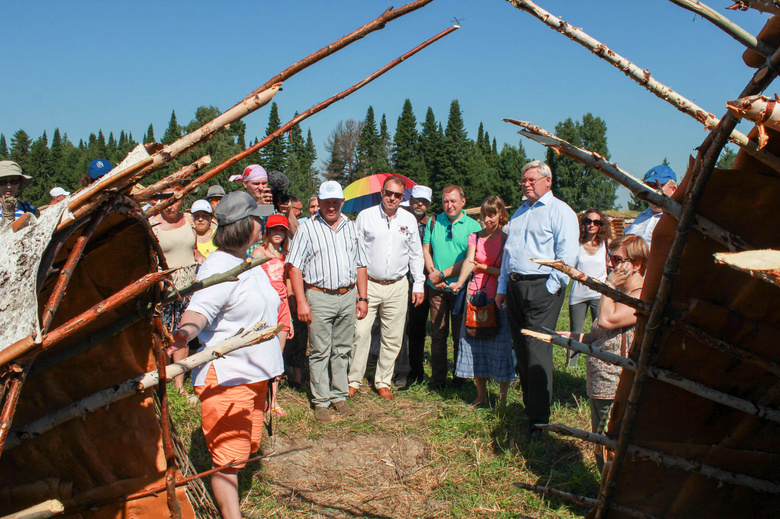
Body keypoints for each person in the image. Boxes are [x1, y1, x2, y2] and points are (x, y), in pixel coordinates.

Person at [167, 191, 283, 519]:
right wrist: (184, 335)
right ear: (245, 225)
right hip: (229, 378)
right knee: (228, 462)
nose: (262, 223)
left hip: (254, 375)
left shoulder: (246, 260)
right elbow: (199, 311)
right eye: (257, 219)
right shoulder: (220, 267)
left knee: (243, 452)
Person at [495, 160, 579, 441]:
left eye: (531, 179)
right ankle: (531, 409)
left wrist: (552, 286)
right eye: (523, 179)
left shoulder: (560, 211)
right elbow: (509, 254)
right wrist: (503, 287)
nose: (525, 183)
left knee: (538, 350)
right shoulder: (520, 212)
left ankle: (540, 421)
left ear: (547, 181)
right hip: (517, 287)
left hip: (542, 286)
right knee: (521, 347)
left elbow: (567, 254)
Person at [559, 234, 647, 471]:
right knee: (601, 448)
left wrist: (608, 285)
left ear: (636, 264)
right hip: (600, 385)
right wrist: (574, 338)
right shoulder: (618, 295)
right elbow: (603, 336)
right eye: (610, 257)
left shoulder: (639, 297)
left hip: (617, 388)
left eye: (618, 259)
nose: (611, 264)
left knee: (611, 451)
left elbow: (607, 320)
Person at [287, 180, 368, 422]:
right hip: (319, 295)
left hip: (348, 294)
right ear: (319, 203)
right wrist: (301, 301)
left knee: (343, 348)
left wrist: (362, 298)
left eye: (335, 202)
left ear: (342, 203)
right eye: (326, 203)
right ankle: (321, 401)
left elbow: (361, 264)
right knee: (320, 350)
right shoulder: (307, 229)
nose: (331, 207)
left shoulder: (352, 228)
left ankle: (339, 396)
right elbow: (294, 268)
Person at [348, 176, 424, 401]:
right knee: (360, 332)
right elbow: (356, 253)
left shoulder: (409, 219)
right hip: (369, 283)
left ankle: (383, 380)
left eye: (397, 195)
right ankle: (353, 379)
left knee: (392, 337)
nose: (392, 198)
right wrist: (356, 284)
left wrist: (418, 284)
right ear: (382, 192)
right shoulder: (365, 217)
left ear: (403, 197)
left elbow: (415, 254)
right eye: (388, 193)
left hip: (398, 285)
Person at [449, 196, 515, 406]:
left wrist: (483, 268)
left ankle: (503, 400)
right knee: (475, 345)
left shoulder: (507, 239)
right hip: (475, 297)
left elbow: (506, 271)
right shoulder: (474, 237)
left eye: (492, 214)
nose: (487, 219)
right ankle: (481, 396)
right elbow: (470, 261)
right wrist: (460, 282)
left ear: (501, 214)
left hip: (498, 299)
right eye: (484, 214)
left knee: (501, 347)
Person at [422, 185, 482, 390]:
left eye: (454, 201)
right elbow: (426, 250)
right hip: (436, 289)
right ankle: (438, 379)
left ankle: (460, 377)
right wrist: (433, 273)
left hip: (461, 288)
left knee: (459, 335)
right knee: (438, 334)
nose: (449, 205)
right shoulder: (433, 222)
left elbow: (469, 259)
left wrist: (442, 274)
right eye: (446, 201)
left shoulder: (473, 227)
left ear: (463, 202)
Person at [149, 185, 204, 402]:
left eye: (175, 199)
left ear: (182, 201)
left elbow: (193, 248)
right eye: (166, 199)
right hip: (165, 287)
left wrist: (199, 256)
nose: (171, 204)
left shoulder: (189, 220)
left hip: (189, 285)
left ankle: (179, 385)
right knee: (163, 333)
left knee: (183, 332)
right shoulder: (152, 224)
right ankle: (160, 379)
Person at [251, 214, 292, 416]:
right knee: (263, 352)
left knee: (278, 354)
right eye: (274, 229)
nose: (278, 233)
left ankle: (273, 400)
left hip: (283, 307)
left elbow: (286, 286)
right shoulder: (259, 252)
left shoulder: (286, 255)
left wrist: (290, 317)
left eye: (282, 229)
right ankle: (260, 398)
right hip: (266, 306)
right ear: (267, 231)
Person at [397, 185, 433, 385]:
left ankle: (417, 371)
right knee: (399, 328)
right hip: (401, 281)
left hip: (423, 284)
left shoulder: (432, 225)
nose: (420, 204)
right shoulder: (400, 220)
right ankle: (402, 371)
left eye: (424, 202)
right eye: (417, 200)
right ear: (410, 200)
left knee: (418, 329)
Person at [568, 208, 612, 368]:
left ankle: (598, 361)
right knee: (575, 331)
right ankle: (571, 364)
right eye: (588, 221)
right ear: (583, 224)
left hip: (598, 294)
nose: (591, 225)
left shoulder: (606, 244)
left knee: (599, 331)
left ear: (601, 225)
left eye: (596, 222)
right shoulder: (576, 243)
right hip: (578, 294)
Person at [624, 165, 678, 250]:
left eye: (657, 185)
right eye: (649, 186)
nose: (652, 190)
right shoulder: (640, 218)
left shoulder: (677, 220)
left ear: (673, 189)